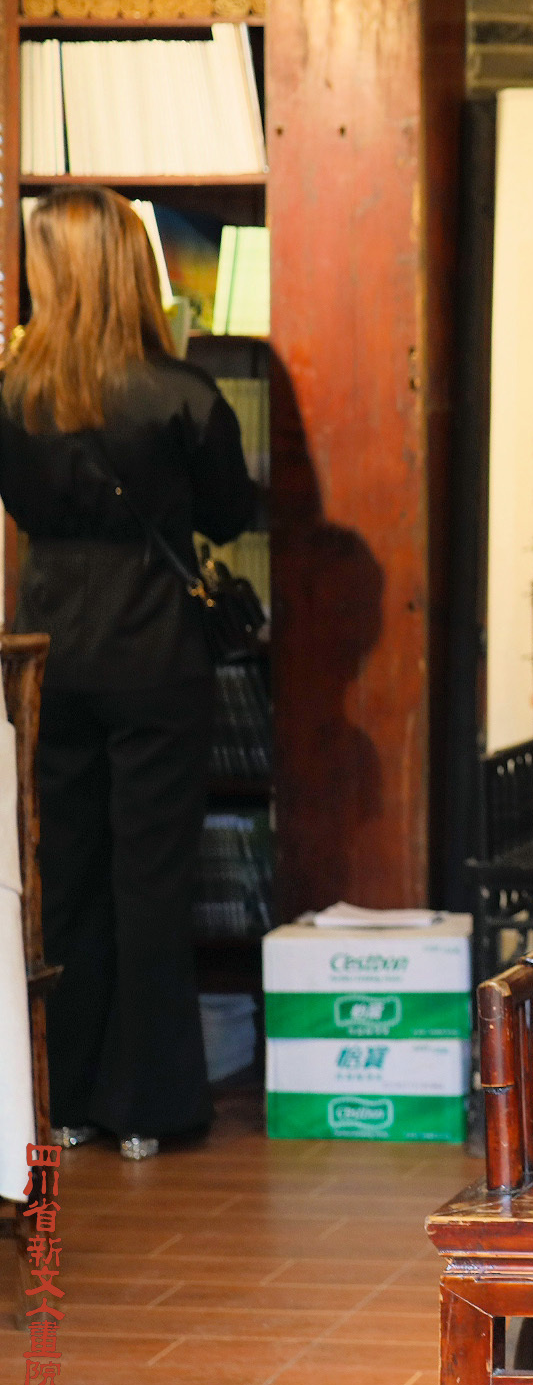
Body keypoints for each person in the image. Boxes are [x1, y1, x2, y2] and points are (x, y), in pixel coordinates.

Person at [0, 186, 256, 1161]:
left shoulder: (11, 396)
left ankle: (63, 1099)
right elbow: (228, 515)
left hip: (45, 656)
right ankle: (146, 1106)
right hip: (154, 655)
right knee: (151, 880)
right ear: (133, 271)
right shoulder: (181, 394)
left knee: (63, 876)